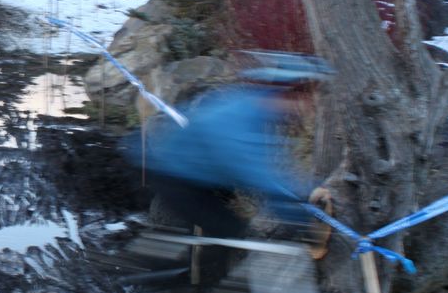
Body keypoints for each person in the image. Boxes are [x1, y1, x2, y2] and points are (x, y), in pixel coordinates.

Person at [130, 51, 333, 246]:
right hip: (175, 178)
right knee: (234, 235)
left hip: (203, 177)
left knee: (227, 236)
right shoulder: (238, 121)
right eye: (306, 97)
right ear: (289, 93)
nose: (308, 106)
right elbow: (260, 176)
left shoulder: (260, 109)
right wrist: (303, 218)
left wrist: (303, 196)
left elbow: (274, 168)